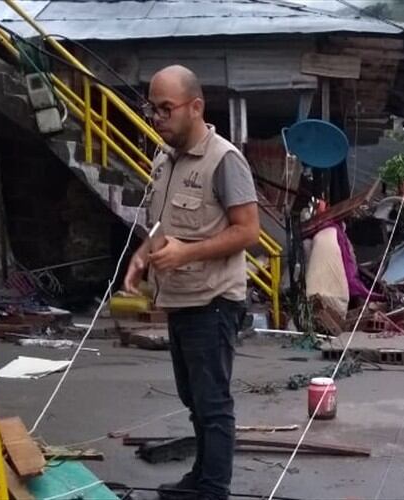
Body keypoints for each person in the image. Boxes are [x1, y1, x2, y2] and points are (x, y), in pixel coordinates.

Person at [123, 65, 259, 500]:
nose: (157, 117)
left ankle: (213, 490)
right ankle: (199, 479)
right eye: (152, 108)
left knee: (213, 404)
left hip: (213, 301)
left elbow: (247, 232)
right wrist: (142, 255)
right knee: (193, 399)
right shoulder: (163, 161)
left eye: (166, 108)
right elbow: (164, 225)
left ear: (195, 106)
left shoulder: (224, 160)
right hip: (180, 300)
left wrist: (186, 252)